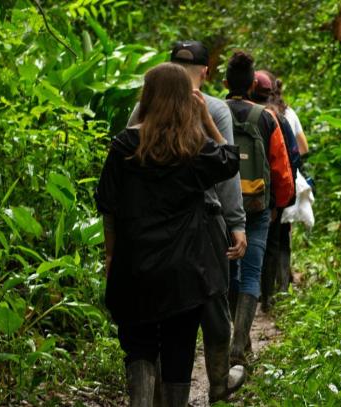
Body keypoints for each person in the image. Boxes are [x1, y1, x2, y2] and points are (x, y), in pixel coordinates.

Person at [95, 62, 240, 407]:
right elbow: (230, 160)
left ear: (148, 96)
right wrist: (207, 121)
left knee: (139, 344)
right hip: (185, 269)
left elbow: (108, 207)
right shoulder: (194, 147)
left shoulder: (124, 145)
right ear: (185, 100)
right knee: (179, 345)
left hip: (135, 263)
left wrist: (111, 255)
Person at [224, 51, 294, 366]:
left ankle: (239, 339)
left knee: (230, 273)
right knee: (252, 270)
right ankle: (240, 344)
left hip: (222, 207)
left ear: (224, 82)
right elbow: (281, 169)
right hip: (256, 206)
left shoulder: (213, 112)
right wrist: (279, 203)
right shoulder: (266, 118)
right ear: (253, 84)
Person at [250, 70, 302, 313]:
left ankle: (244, 297)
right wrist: (282, 201)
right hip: (268, 196)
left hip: (236, 194)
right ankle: (267, 297)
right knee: (271, 245)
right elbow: (291, 159)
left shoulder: (231, 113)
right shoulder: (277, 118)